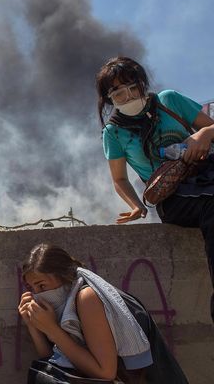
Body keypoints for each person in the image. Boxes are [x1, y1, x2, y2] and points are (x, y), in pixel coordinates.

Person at [96, 56, 214, 322]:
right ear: (108, 99)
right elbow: (120, 180)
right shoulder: (113, 133)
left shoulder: (169, 101)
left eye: (132, 87)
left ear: (142, 83)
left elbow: (210, 127)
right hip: (174, 198)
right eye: (117, 92)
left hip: (207, 175)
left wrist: (204, 135)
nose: (127, 96)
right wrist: (136, 205)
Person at [18, 243, 188, 383]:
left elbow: (105, 372)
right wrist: (34, 326)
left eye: (42, 286)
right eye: (32, 288)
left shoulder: (87, 298)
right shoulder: (63, 306)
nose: (37, 294)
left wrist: (53, 330)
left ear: (64, 277)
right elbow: (53, 363)